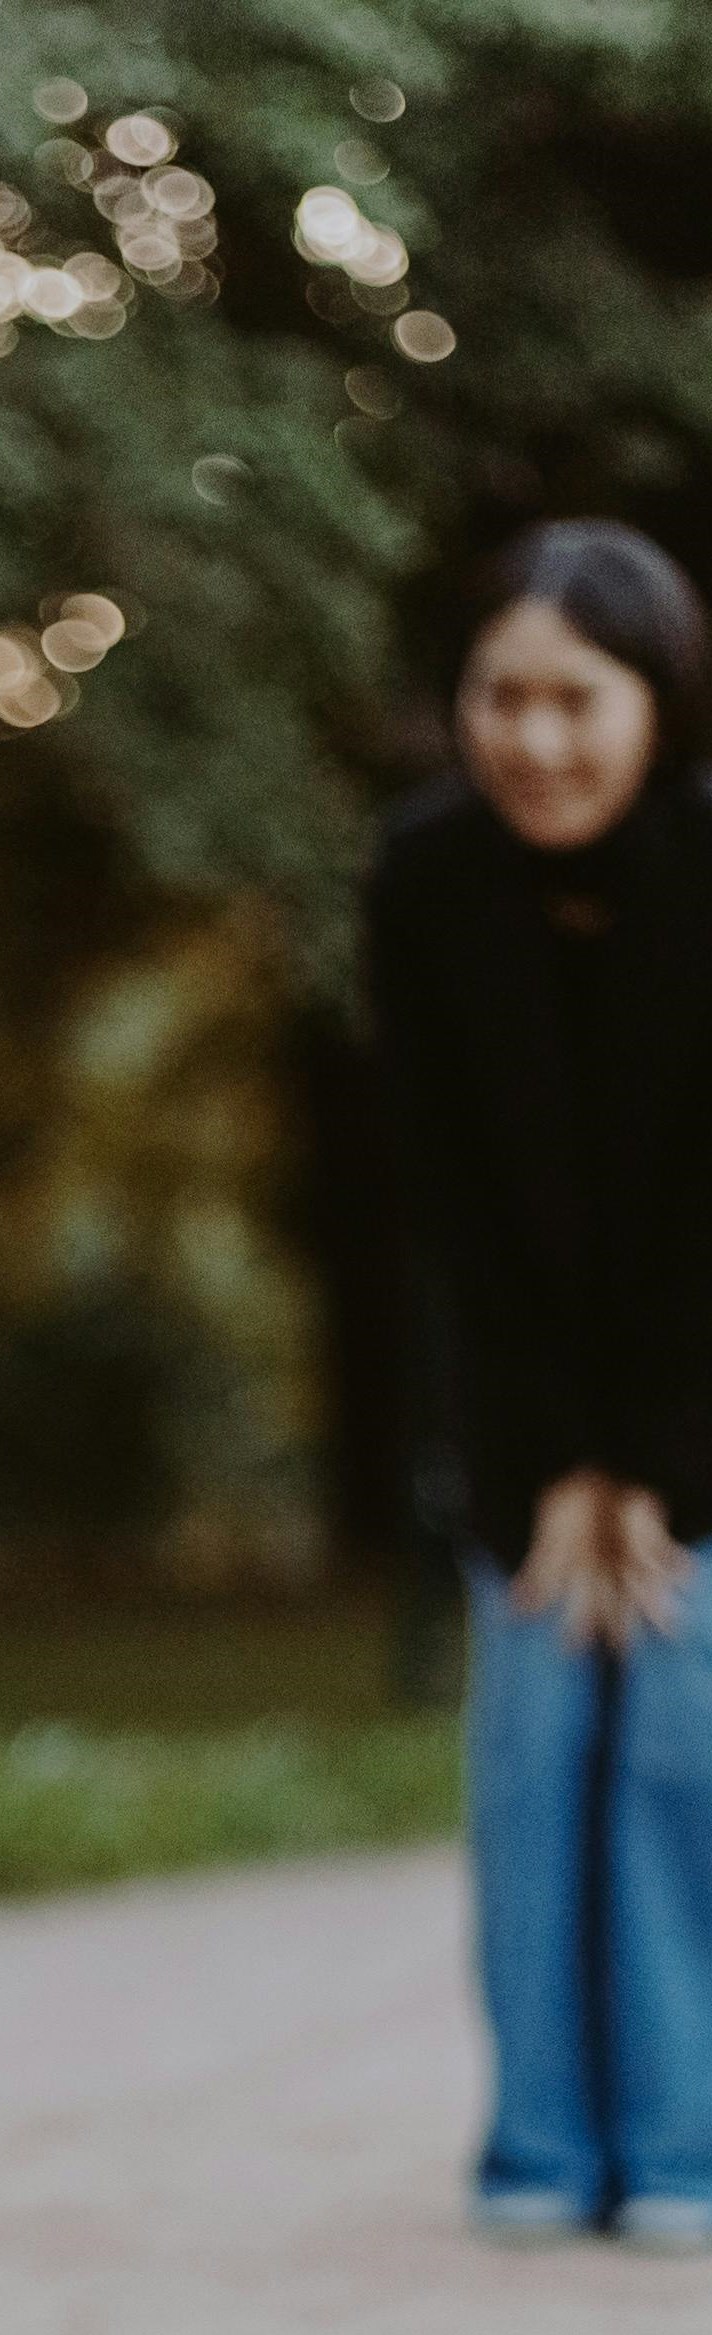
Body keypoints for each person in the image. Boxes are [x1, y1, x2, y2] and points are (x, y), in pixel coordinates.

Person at [369, 519, 712, 2246]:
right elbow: (457, 1212)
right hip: (528, 1415)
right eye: (501, 698)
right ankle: (539, 2148)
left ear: (657, 701)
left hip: (704, 1406)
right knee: (534, 1744)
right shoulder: (425, 881)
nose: (538, 740)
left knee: (675, 1732)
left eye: (578, 699)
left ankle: (683, 2148)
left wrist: (652, 1462)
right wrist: (558, 1466)